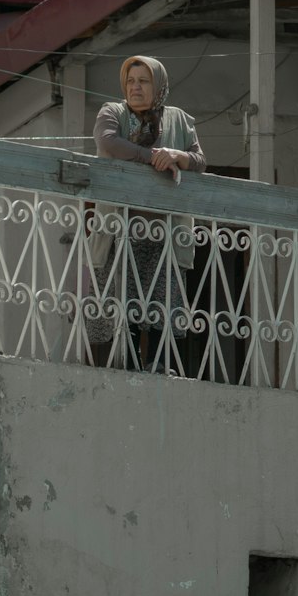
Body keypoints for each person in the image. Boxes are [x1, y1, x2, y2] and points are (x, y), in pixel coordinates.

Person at [85, 55, 205, 368]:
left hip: (165, 234)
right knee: (124, 310)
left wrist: (176, 155)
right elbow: (108, 142)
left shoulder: (178, 119)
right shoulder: (113, 112)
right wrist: (151, 156)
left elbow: (199, 160)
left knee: (161, 308)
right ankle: (125, 369)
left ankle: (160, 369)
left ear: (159, 85)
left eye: (144, 81)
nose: (135, 87)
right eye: (130, 81)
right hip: (119, 232)